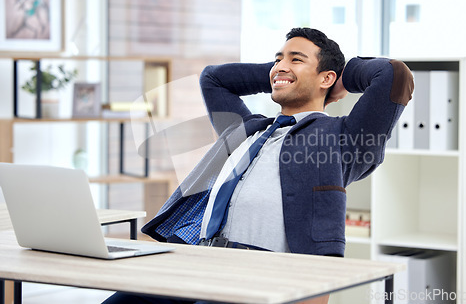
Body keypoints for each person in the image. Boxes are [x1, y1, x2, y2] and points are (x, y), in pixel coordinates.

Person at [103, 27, 413, 304]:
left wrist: (342, 74)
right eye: (277, 58)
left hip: (261, 277)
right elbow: (214, 79)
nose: (280, 64)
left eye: (296, 58)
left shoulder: (342, 138)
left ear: (327, 78)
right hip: (197, 260)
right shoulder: (247, 128)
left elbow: (394, 75)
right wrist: (283, 72)